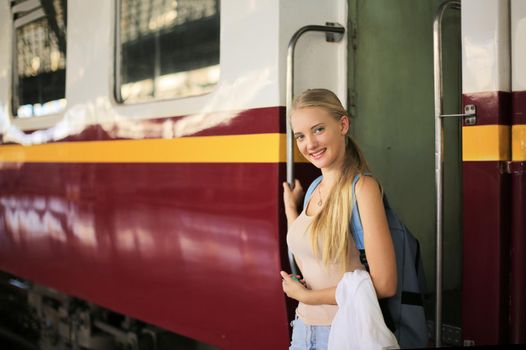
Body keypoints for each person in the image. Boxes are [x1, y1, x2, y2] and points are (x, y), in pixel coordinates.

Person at [281, 88, 397, 350]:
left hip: (345, 332)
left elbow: (385, 284)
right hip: (302, 329)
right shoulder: (315, 188)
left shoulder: (362, 189)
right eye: (300, 136)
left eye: (318, 129)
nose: (309, 144)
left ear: (342, 124)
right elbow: (306, 245)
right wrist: (291, 210)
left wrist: (306, 296)